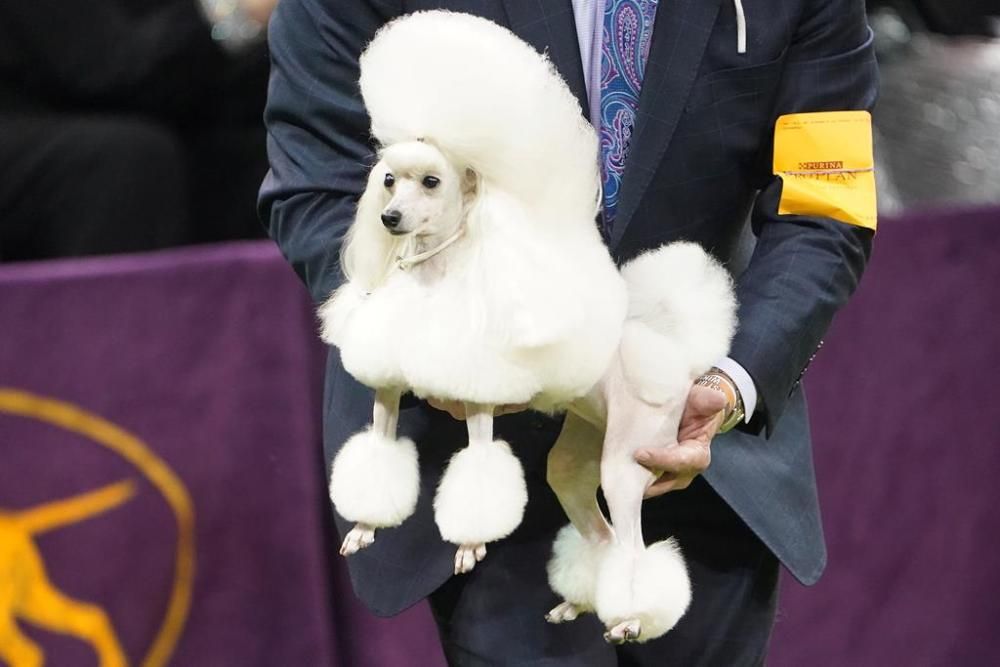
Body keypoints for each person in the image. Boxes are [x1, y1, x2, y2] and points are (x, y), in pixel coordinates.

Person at [259, 0, 877, 664]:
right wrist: (447, 344)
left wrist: (728, 384)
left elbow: (822, 209)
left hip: (703, 448)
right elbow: (317, 190)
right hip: (485, 448)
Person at [0, 0, 276, 261]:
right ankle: (118, 312)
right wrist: (240, 14)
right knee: (121, 162)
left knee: (280, 154)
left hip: (128, 100)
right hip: (27, 119)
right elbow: (105, 68)